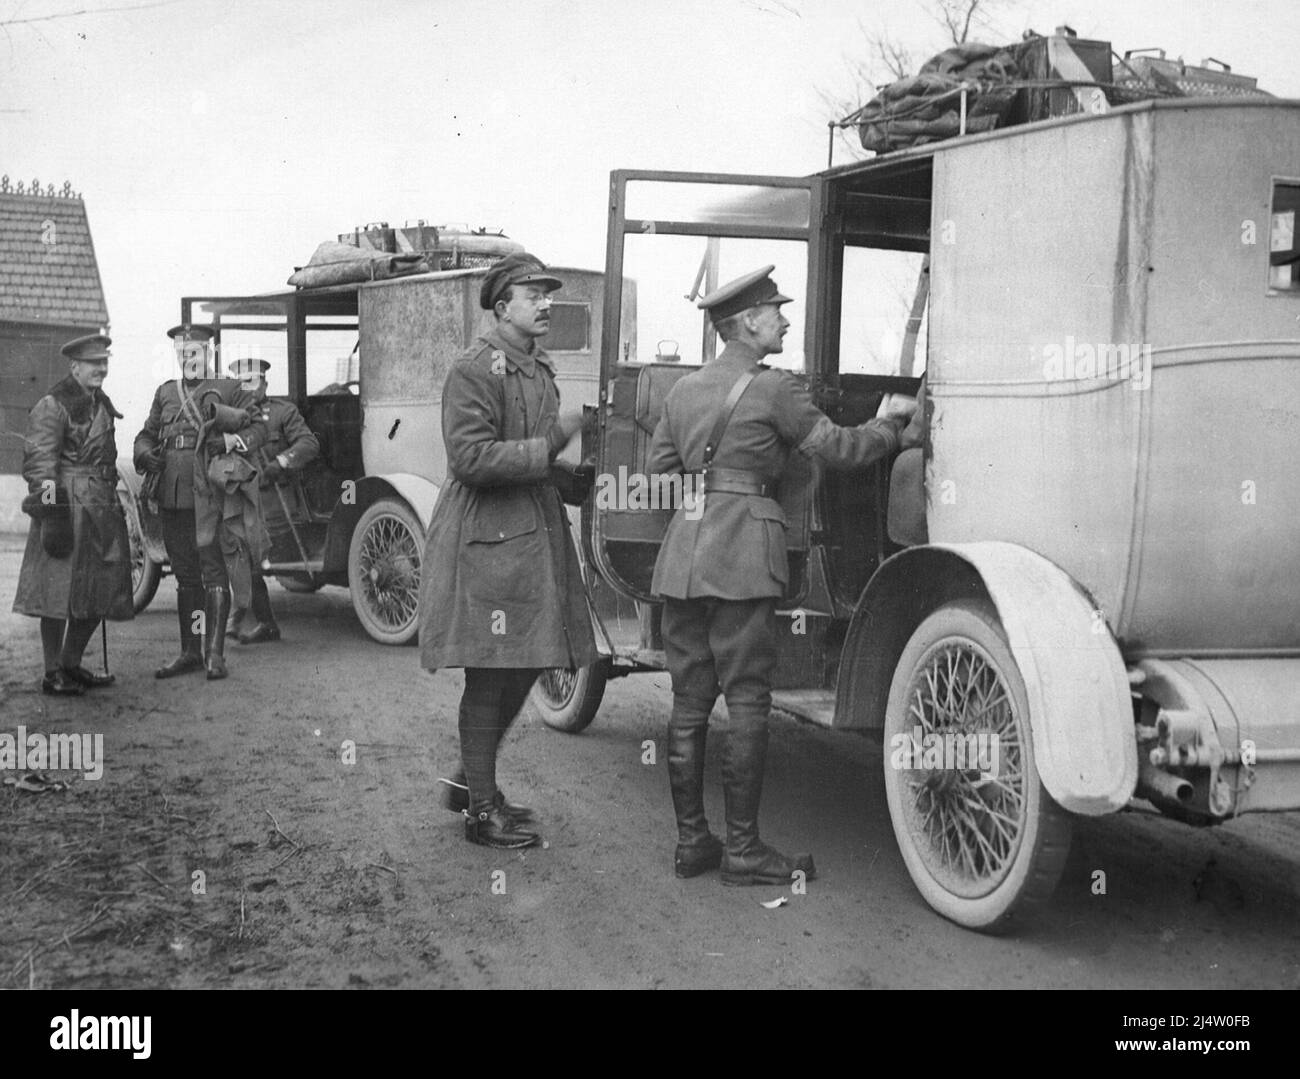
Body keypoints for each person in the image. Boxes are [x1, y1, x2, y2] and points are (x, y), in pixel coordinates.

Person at [647, 266, 915, 886]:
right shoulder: (776, 391)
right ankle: (743, 851)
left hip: (684, 558)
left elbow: (661, 470)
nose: (786, 320)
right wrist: (893, 424)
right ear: (747, 323)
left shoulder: (684, 390)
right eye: (776, 311)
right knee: (747, 700)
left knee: (689, 700)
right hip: (743, 557)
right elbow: (844, 450)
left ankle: (693, 844)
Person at [419, 252, 596, 850]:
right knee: (492, 671)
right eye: (534, 295)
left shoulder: (535, 367)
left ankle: (473, 784)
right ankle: (479, 813)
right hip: (485, 539)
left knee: (526, 658)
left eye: (548, 294)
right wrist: (556, 439)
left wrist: (581, 479)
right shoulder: (476, 368)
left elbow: (533, 457)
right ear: (502, 307)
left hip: (528, 532)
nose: (546, 303)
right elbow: (469, 459)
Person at [133, 325, 267, 681]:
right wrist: (145, 453)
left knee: (213, 572)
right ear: (177, 355)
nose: (189, 357)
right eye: (183, 352)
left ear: (209, 353)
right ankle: (189, 652)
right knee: (186, 577)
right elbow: (146, 433)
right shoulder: (165, 393)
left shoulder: (229, 389)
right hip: (174, 494)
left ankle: (214, 655)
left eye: (196, 351)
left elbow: (258, 431)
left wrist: (229, 442)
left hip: (211, 493)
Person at [12, 333, 135, 695]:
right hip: (67, 507)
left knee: (101, 588)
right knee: (57, 592)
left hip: (100, 508)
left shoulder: (100, 404)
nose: (100, 369)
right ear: (74, 367)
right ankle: (52, 673)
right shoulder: (54, 404)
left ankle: (71, 663)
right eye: (93, 363)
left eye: (104, 362)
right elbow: (39, 463)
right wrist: (52, 514)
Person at [225, 357, 320, 644]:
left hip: (275, 506)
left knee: (248, 555)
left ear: (265, 383)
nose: (248, 388)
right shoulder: (228, 418)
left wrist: (280, 462)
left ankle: (246, 618)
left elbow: (308, 444)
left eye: (253, 381)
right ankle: (258, 621)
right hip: (239, 501)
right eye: (242, 383)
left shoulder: (282, 413)